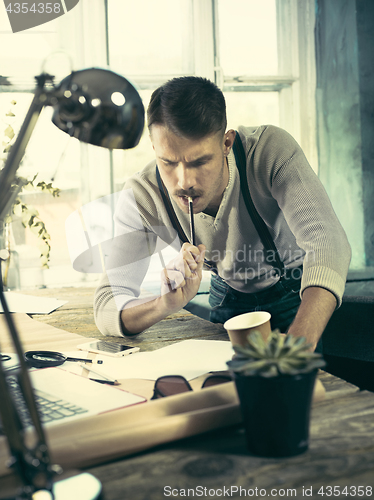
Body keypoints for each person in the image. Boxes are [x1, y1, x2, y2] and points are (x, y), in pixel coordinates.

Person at [94, 76, 351, 351]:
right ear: (154, 147)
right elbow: (108, 303)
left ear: (226, 143)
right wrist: (163, 304)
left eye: (200, 161)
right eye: (168, 162)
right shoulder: (142, 196)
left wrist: (297, 346)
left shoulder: (268, 152)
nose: (184, 181)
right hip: (227, 296)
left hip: (297, 296)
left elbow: (328, 243)